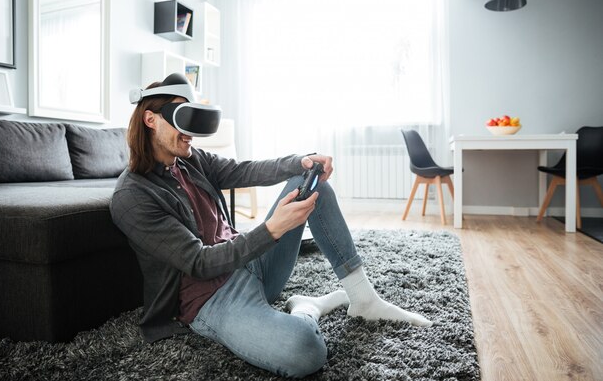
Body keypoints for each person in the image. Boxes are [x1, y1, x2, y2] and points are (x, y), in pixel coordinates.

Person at [110, 73, 432, 379]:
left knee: (311, 184)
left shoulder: (189, 160)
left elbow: (243, 170)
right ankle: (308, 308)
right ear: (150, 119)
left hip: (252, 264)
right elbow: (199, 262)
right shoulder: (133, 197)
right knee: (305, 350)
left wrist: (300, 162)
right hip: (213, 299)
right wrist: (271, 230)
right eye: (182, 118)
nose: (190, 132)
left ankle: (363, 299)